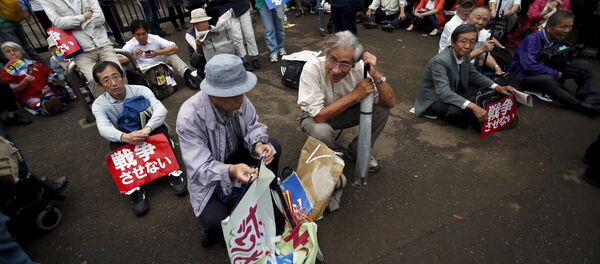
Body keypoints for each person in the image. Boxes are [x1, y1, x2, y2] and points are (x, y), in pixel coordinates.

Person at [176, 54, 282, 247]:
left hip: (236, 153)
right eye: (235, 94)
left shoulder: (238, 99)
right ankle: (231, 213)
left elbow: (252, 125)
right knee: (216, 221)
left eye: (242, 91)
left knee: (273, 146)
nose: (241, 99)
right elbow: (199, 169)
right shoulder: (189, 118)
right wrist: (230, 171)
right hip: (211, 171)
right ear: (214, 93)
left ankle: (265, 191)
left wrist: (258, 144)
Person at [91, 61, 187, 215]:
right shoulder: (98, 104)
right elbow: (103, 128)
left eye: (116, 76)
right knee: (114, 145)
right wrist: (125, 136)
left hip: (147, 130)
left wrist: (147, 128)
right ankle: (135, 186)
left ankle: (172, 170)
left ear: (123, 77)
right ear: (101, 86)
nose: (114, 83)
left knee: (160, 129)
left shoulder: (140, 90)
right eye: (106, 80)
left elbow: (160, 109)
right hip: (126, 138)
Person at [297, 31, 396, 172]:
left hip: (345, 112)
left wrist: (376, 74)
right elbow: (318, 116)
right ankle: (332, 154)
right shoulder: (312, 68)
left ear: (354, 64)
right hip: (315, 117)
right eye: (332, 59)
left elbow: (390, 103)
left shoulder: (361, 68)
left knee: (381, 110)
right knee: (321, 131)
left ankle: (357, 150)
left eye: (344, 64)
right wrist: (354, 95)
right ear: (325, 54)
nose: (336, 70)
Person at [413, 24, 516, 128]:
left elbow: (474, 75)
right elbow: (444, 93)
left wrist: (497, 87)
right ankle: (432, 111)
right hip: (435, 99)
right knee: (460, 113)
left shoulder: (464, 54)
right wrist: (474, 107)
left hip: (454, 90)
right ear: (453, 42)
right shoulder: (440, 61)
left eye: (472, 42)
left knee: (492, 89)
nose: (468, 46)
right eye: (463, 41)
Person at [507, 11, 600, 116]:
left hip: (546, 68)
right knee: (547, 79)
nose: (567, 30)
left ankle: (592, 98)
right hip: (523, 76)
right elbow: (529, 65)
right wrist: (555, 73)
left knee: (583, 65)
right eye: (563, 27)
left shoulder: (557, 38)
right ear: (549, 27)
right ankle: (580, 105)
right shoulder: (532, 40)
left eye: (570, 27)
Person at [41, 0, 121, 97]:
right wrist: (84, 17)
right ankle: (106, 108)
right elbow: (60, 24)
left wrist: (73, 24)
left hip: (102, 43)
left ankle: (129, 104)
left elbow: (100, 18)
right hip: (80, 51)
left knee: (118, 73)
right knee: (93, 79)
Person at [120, 20, 200, 90]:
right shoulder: (130, 44)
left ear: (147, 32)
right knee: (125, 65)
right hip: (144, 70)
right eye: (138, 34)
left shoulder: (154, 38)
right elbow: (117, 59)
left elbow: (175, 47)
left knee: (172, 56)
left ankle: (187, 76)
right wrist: (133, 57)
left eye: (144, 34)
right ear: (133, 34)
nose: (141, 37)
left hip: (159, 64)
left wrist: (157, 52)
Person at [1, 42, 69, 116]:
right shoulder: (6, 72)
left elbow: (49, 74)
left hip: (46, 92)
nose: (12, 53)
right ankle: (47, 109)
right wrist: (24, 82)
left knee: (52, 98)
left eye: (15, 50)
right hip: (28, 97)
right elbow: (12, 90)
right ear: (4, 55)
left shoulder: (34, 63)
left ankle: (55, 105)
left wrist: (49, 85)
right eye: (8, 52)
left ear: (21, 51)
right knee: (38, 104)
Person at [207, 0, 260, 71]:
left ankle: (254, 57)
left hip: (243, 6)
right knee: (237, 37)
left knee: (249, 34)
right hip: (228, 10)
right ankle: (243, 59)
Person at [507, 0, 571, 48]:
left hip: (552, 34)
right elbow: (531, 16)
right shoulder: (540, 1)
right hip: (535, 30)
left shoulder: (565, 3)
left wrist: (560, 10)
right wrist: (547, 10)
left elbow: (565, 22)